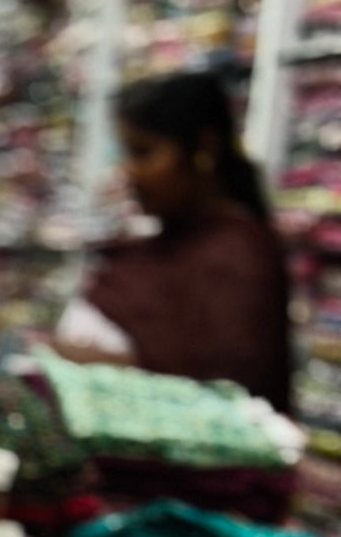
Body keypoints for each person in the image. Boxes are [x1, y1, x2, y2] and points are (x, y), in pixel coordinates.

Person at [55, 70, 294, 409]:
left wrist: (103, 364)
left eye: (143, 153)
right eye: (125, 154)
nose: (128, 171)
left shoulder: (238, 256)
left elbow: (223, 390)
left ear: (204, 148)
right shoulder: (157, 244)